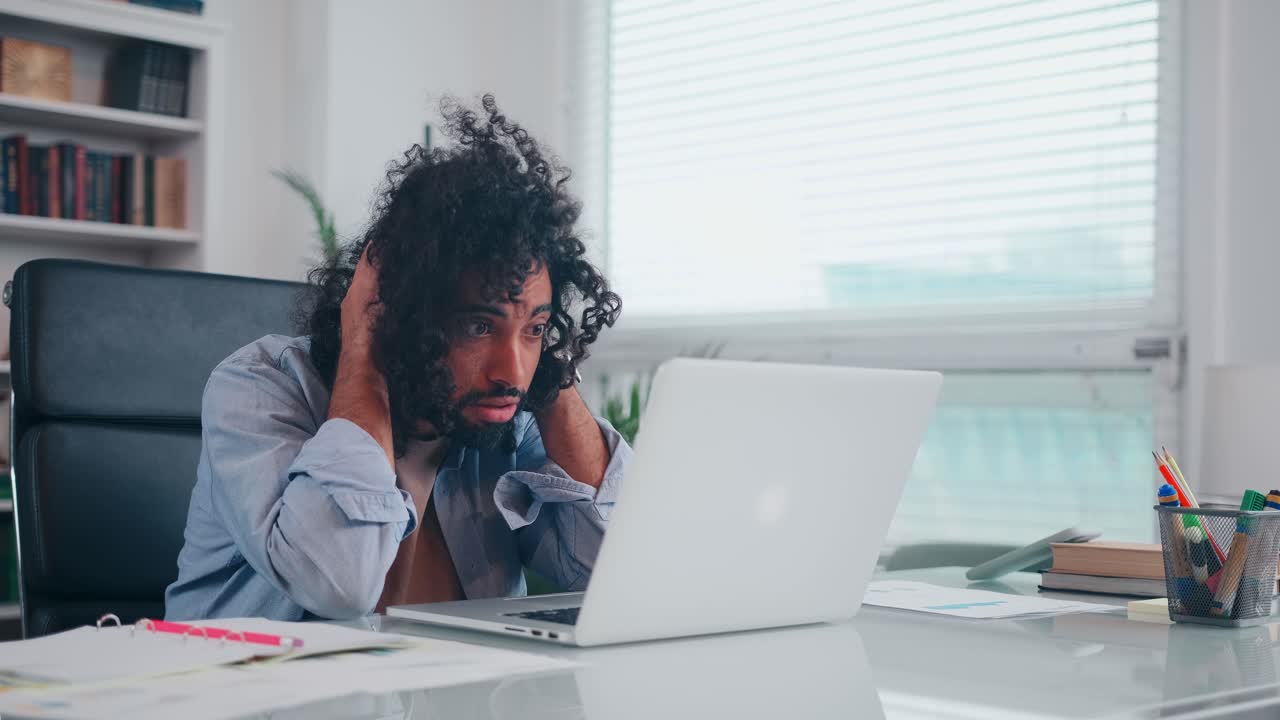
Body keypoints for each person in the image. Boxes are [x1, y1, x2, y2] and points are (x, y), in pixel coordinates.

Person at [165, 95, 628, 621]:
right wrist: (365, 352)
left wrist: (553, 378)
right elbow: (342, 584)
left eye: (535, 329)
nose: (512, 372)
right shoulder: (259, 392)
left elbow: (628, 569)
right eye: (480, 326)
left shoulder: (505, 426)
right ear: (406, 308)